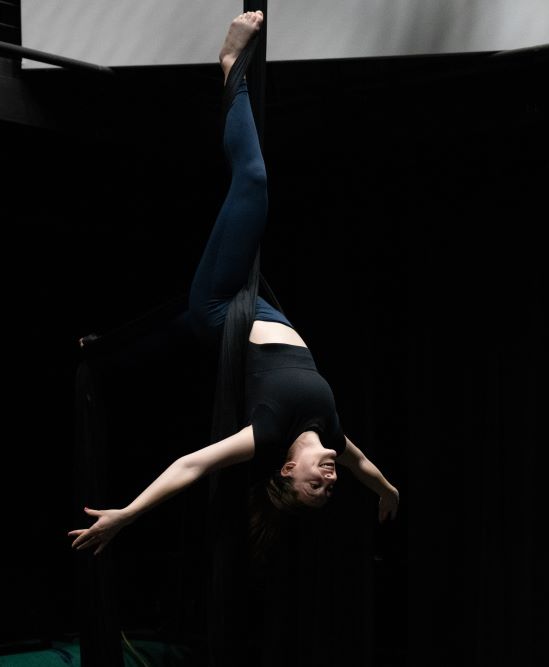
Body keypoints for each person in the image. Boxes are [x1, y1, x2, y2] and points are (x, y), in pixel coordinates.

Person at [68, 10, 399, 558]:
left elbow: (192, 465)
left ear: (288, 470)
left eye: (313, 486)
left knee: (253, 180)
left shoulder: (267, 433)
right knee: (178, 306)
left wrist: (127, 514)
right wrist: (385, 489)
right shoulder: (332, 434)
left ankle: (230, 66)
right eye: (329, 490)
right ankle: (107, 349)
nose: (330, 481)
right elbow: (363, 465)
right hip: (255, 303)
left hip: (224, 309)